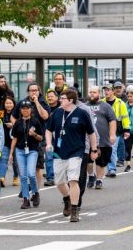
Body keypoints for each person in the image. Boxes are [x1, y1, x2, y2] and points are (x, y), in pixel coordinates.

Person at [46, 89, 97, 222]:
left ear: (70, 100)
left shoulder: (82, 113)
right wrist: (48, 143)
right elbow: (48, 130)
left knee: (73, 180)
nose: (59, 100)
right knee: (59, 182)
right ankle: (67, 198)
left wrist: (94, 150)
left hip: (76, 152)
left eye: (62, 98)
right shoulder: (57, 112)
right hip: (59, 152)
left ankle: (74, 210)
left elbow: (91, 133)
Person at [12, 82, 50, 191]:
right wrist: (18, 127)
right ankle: (24, 190)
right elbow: (13, 117)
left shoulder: (43, 102)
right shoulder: (22, 103)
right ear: (28, 92)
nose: (33, 92)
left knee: (37, 167)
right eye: (31, 90)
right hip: (23, 140)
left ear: (39, 91)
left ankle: (35, 191)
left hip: (38, 139)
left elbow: (45, 116)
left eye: (35, 90)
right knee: (23, 168)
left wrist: (37, 101)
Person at [9, 100, 43, 209]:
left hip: (32, 150)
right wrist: (11, 153)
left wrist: (34, 134)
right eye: (23, 108)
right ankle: (26, 199)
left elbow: (41, 138)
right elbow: (14, 138)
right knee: (23, 176)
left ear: (30, 110)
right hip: (20, 151)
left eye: (27, 108)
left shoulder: (35, 121)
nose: (25, 110)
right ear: (20, 110)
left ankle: (35, 193)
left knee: (31, 174)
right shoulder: (18, 122)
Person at [85, 86, 116, 189]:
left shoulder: (106, 106)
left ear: (99, 93)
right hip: (88, 140)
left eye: (94, 92)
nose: (92, 94)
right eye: (90, 92)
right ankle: (91, 175)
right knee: (88, 162)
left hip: (103, 139)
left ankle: (99, 180)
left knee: (101, 162)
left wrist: (112, 135)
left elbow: (112, 120)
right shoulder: (84, 106)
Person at [102, 84, 130, 177]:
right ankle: (103, 168)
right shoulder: (101, 102)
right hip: (103, 130)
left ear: (113, 91)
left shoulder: (120, 103)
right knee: (103, 150)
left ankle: (112, 169)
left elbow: (125, 117)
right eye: (105, 90)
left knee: (112, 149)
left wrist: (127, 130)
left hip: (116, 130)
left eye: (108, 90)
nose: (106, 92)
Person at [0, 96, 20, 187]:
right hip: (4, 140)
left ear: (14, 104)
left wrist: (13, 125)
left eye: (10, 103)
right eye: (7, 103)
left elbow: (21, 124)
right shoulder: (1, 113)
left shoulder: (18, 113)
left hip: (16, 141)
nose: (8, 105)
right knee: (3, 159)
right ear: (4, 104)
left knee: (16, 161)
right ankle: (2, 178)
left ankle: (15, 177)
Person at [44, 89, 60, 186]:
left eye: (52, 96)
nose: (50, 98)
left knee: (59, 157)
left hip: (60, 137)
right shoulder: (45, 108)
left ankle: (60, 175)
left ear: (56, 98)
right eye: (48, 96)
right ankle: (50, 177)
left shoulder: (62, 108)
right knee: (49, 157)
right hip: (49, 137)